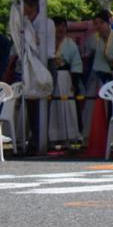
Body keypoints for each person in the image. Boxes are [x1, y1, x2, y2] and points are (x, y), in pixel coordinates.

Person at [84, 9, 113, 139]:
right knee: (94, 109)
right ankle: (94, 137)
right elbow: (87, 54)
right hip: (98, 77)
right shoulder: (93, 39)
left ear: (108, 23)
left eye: (101, 22)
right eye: (96, 23)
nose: (98, 26)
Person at [49, 17, 82, 145]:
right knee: (52, 107)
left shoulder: (70, 43)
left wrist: (75, 82)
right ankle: (52, 136)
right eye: (57, 26)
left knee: (67, 105)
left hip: (65, 77)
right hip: (50, 77)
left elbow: (76, 64)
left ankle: (69, 136)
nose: (60, 29)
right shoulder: (47, 42)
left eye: (63, 26)